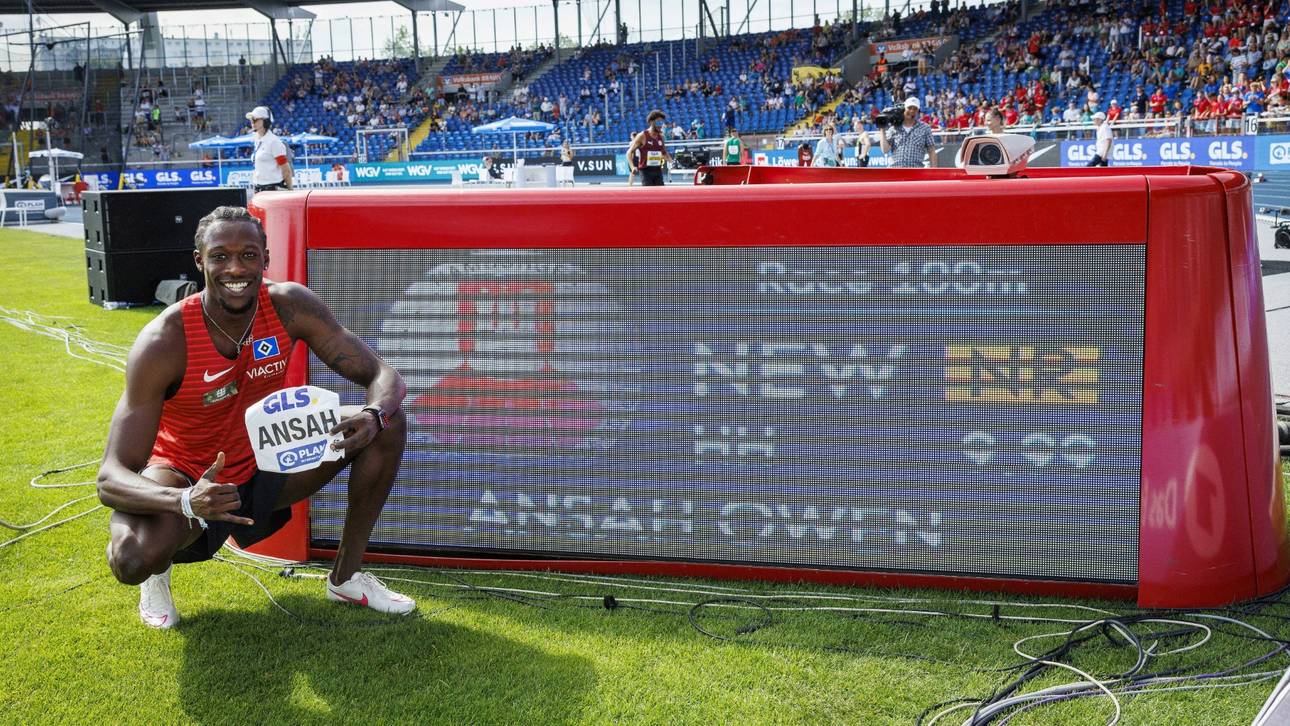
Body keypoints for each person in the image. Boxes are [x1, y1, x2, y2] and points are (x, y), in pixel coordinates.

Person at [97, 206, 414, 628]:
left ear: (266, 257)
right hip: (190, 474)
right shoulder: (164, 341)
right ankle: (158, 575)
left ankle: (346, 578)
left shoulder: (289, 306)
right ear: (199, 261)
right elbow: (110, 476)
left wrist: (374, 414)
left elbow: (380, 373)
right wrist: (185, 501)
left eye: (248, 255)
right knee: (132, 558)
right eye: (220, 256)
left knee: (389, 424)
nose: (235, 268)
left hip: (268, 459)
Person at [878, 97, 937, 168]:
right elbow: (885, 150)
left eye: (915, 109)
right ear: (904, 109)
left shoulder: (925, 128)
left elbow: (931, 150)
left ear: (918, 111)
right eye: (909, 108)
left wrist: (933, 171)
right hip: (896, 170)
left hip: (916, 170)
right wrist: (882, 130)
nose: (912, 110)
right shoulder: (894, 128)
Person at [247, 106, 293, 193]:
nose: (252, 122)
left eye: (255, 119)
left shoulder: (274, 141)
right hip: (258, 188)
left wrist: (290, 191)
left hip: (272, 190)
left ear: (265, 121)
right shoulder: (257, 139)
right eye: (251, 119)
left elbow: (286, 170)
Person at [626, 109, 673, 186]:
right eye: (658, 122)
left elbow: (664, 153)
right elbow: (629, 152)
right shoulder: (642, 136)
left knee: (661, 195)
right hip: (645, 171)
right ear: (651, 122)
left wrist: (672, 162)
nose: (660, 125)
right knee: (649, 196)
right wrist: (632, 167)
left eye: (661, 122)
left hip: (658, 170)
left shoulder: (661, 137)